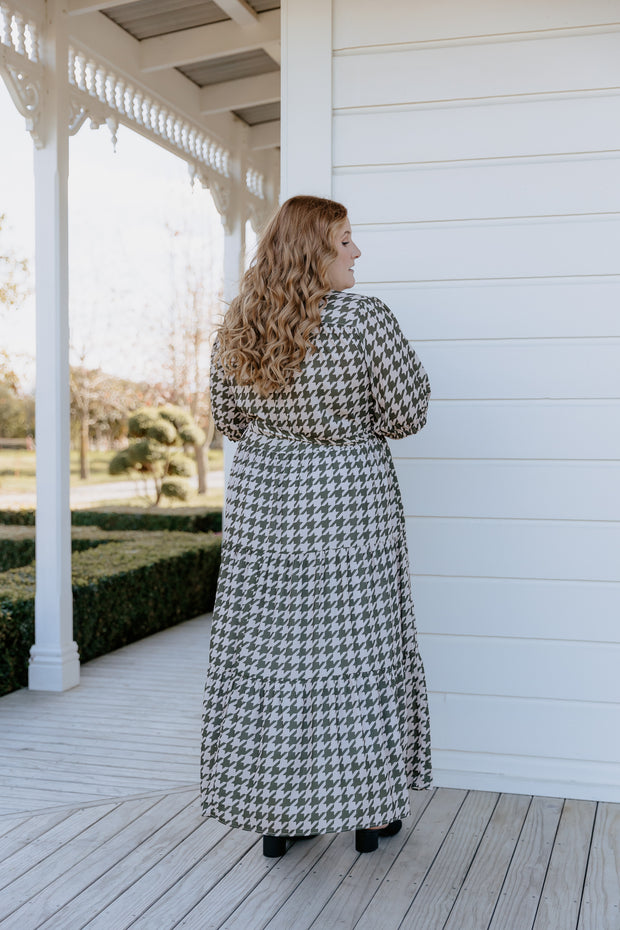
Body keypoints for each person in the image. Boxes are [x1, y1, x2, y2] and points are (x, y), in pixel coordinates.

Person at [200, 195, 431, 857]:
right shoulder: (364, 321)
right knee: (359, 655)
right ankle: (369, 811)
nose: (358, 252)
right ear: (314, 251)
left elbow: (231, 421)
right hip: (349, 506)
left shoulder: (239, 324)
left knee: (276, 656)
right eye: (346, 241)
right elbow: (408, 412)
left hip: (266, 510)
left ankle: (283, 814)